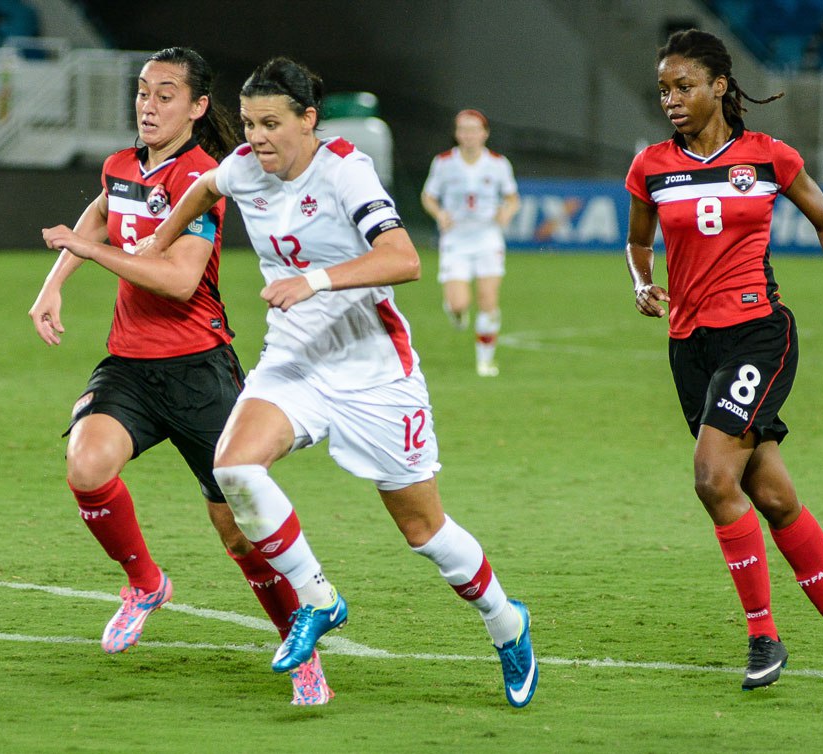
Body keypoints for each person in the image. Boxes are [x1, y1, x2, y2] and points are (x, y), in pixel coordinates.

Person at [120, 57, 538, 708]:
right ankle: (317, 596)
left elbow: (403, 259)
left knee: (424, 531)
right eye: (251, 123)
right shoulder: (244, 168)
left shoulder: (345, 170)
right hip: (295, 359)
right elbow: (203, 191)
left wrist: (312, 280)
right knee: (234, 468)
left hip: (373, 370)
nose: (257, 138)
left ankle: (506, 624)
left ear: (309, 120)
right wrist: (158, 242)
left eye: (272, 124)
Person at [28, 47, 334, 706]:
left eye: (166, 94)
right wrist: (55, 283)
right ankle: (145, 584)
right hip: (131, 367)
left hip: (199, 371)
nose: (148, 104)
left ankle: (299, 647)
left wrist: (92, 252)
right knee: (86, 464)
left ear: (197, 108)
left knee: (239, 529)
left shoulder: (202, 176)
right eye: (143, 91)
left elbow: (179, 279)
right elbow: (101, 210)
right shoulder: (123, 165)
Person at [623, 29, 823, 693]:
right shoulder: (652, 166)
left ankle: (763, 636)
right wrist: (640, 281)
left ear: (718, 87)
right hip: (690, 347)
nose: (672, 100)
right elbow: (637, 241)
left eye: (683, 87)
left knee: (712, 477)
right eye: (663, 90)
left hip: (757, 335)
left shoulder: (768, 157)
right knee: (769, 494)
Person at [420, 109, 520, 377]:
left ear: (484, 133)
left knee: (488, 299)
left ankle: (485, 361)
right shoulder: (443, 163)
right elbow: (428, 196)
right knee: (458, 303)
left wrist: (506, 212)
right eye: (463, 130)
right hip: (456, 238)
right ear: (456, 134)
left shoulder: (498, 164)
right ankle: (456, 311)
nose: (469, 135)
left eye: (474, 130)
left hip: (487, 236)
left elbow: (512, 198)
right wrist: (440, 214)